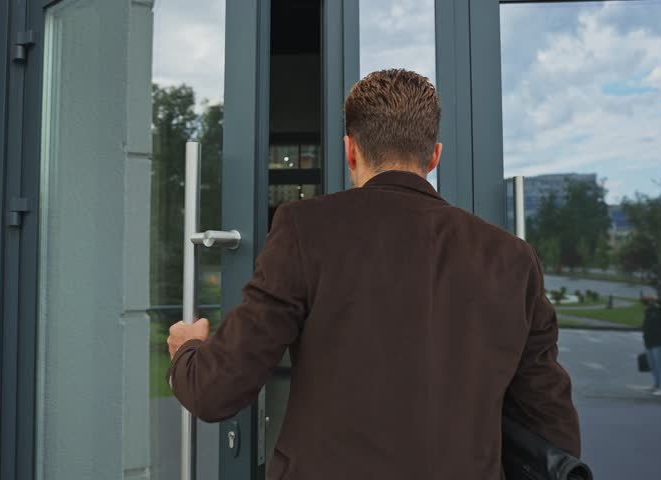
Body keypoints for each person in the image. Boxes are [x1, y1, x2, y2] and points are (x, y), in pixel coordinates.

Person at [166, 69, 581, 479]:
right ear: (435, 156)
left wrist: (187, 351)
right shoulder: (512, 257)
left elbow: (215, 390)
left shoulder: (305, 229)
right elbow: (551, 424)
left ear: (350, 151)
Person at [642, 297, 661, 396]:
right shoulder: (648, 312)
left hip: (660, 344)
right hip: (649, 343)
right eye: (647, 303)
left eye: (649, 302)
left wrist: (656, 299)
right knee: (653, 366)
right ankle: (656, 385)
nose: (647, 304)